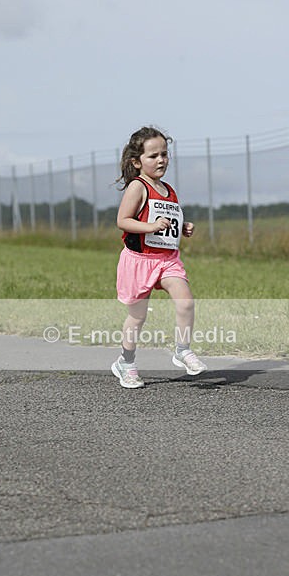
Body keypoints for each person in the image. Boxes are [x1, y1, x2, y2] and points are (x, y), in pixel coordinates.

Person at [111, 126, 206, 388]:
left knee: (185, 302)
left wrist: (183, 227)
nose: (161, 160)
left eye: (164, 154)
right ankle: (126, 363)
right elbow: (123, 221)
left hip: (167, 260)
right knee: (138, 317)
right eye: (153, 156)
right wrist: (150, 227)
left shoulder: (169, 190)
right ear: (136, 161)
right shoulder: (137, 187)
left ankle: (183, 349)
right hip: (139, 261)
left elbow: (169, 222)